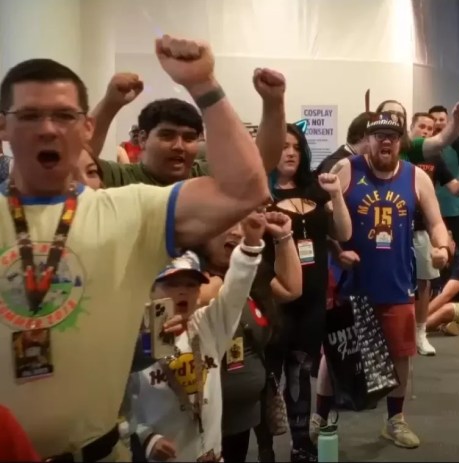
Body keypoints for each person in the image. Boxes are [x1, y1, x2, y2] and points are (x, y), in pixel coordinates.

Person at [0, 35, 270, 459]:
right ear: (3, 126)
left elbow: (245, 189)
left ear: (86, 128)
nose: (48, 129)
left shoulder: (129, 210)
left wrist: (204, 86)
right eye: (29, 115)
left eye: (65, 116)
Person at [313, 111, 451, 449]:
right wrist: (336, 252)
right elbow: (320, 224)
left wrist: (442, 247)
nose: (386, 141)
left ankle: (395, 420)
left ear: (400, 142)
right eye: (379, 136)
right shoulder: (346, 169)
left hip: (396, 281)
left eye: (392, 136)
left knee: (401, 354)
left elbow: (436, 222)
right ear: (367, 140)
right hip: (350, 282)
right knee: (335, 353)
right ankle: (320, 417)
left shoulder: (416, 177)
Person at [129, 212, 274, 461]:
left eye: (190, 284)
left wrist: (250, 246)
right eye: (172, 284)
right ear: (152, 289)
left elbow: (235, 291)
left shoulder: (207, 324)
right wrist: (145, 437)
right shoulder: (134, 336)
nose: (183, 292)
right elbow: (117, 405)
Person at [258, 122, 351, 461]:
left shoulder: (315, 189)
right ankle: (265, 449)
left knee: (299, 372)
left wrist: (336, 194)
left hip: (312, 298)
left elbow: (343, 232)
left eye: (296, 147)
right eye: (283, 146)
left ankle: (300, 444)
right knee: (266, 378)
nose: (291, 152)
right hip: (273, 298)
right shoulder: (260, 193)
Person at [85, 69, 284, 187]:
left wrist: (273, 102)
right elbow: (78, 160)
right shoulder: (119, 178)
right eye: (167, 136)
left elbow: (260, 162)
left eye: (189, 138)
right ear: (143, 138)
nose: (179, 146)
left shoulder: (204, 177)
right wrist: (110, 104)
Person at [407, 112, 459, 356]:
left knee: (424, 280)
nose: (426, 131)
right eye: (422, 127)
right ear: (411, 127)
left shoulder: (434, 158)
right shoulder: (401, 154)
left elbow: (455, 189)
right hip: (395, 226)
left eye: (430, 128)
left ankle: (420, 333)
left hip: (421, 227)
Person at [428, 85, 459, 254]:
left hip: (454, 210)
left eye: (441, 119)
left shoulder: (458, 143)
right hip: (429, 212)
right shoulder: (423, 148)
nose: (438, 123)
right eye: (434, 120)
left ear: (448, 121)